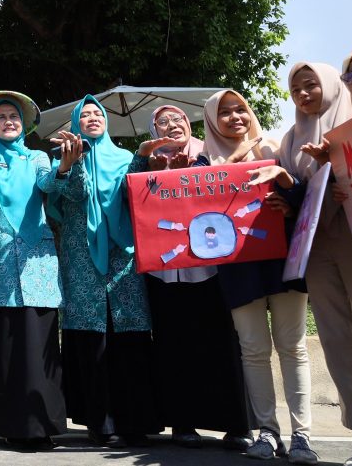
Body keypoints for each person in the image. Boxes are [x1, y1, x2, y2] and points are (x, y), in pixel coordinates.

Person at [199, 89, 316, 463]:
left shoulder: (279, 147)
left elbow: (306, 192)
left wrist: (287, 199)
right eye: (226, 113)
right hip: (238, 265)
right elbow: (205, 200)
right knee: (253, 351)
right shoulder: (202, 161)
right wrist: (241, 155)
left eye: (241, 110)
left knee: (293, 347)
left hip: (284, 258)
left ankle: (302, 436)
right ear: (212, 121)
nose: (236, 117)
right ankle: (268, 432)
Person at [139, 105, 252, 450]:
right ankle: (183, 424)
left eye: (178, 120)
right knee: (174, 348)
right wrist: (150, 167)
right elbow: (136, 203)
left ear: (190, 125)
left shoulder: (211, 154)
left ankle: (235, 424)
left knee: (220, 344)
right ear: (154, 129)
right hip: (165, 272)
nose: (172, 126)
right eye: (163, 122)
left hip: (211, 268)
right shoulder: (148, 162)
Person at [47, 96, 158, 447]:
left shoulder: (124, 158)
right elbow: (71, 197)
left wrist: (141, 157)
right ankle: (101, 422)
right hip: (80, 256)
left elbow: (136, 195)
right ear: (76, 122)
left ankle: (135, 420)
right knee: (92, 337)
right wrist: (72, 163)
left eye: (98, 114)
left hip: (123, 256)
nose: (93, 118)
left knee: (128, 335)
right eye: (86, 115)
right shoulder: (59, 161)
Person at [0, 92, 66, 451]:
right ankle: (12, 426)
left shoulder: (38, 157)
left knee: (39, 342)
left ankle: (43, 426)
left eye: (14, 116)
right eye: (1, 117)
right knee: (4, 343)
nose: (9, 121)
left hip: (36, 259)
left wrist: (66, 166)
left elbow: (51, 184)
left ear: (24, 124)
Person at [278, 63, 352, 466]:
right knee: (336, 337)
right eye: (295, 89)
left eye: (311, 85)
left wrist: (336, 161)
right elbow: (293, 194)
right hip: (316, 246)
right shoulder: (290, 138)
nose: (304, 94)